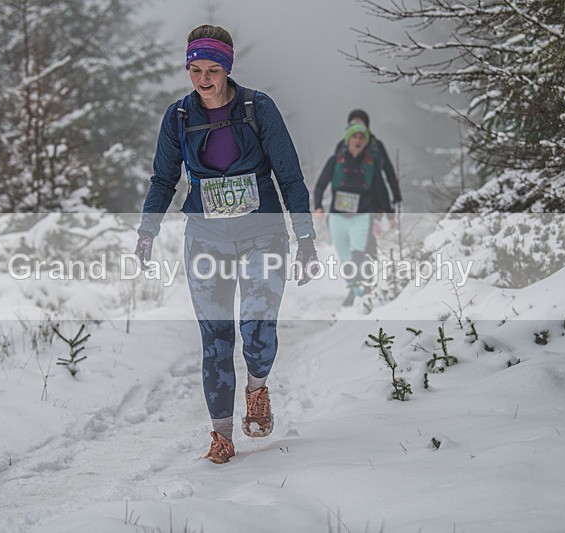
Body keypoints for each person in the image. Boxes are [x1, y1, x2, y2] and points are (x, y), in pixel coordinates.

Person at [134, 25, 318, 464]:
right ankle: (221, 435)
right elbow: (164, 179)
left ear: (228, 68)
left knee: (256, 328)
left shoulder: (258, 107)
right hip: (205, 236)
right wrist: (147, 230)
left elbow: (289, 174)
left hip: (263, 232)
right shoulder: (178, 117)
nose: (203, 79)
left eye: (212, 69)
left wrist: (305, 237)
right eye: (194, 69)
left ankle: (257, 388)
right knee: (215, 338)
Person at [313, 109, 402, 306]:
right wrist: (318, 205)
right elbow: (323, 182)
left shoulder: (375, 150)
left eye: (362, 133)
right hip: (340, 212)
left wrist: (391, 207)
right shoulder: (339, 153)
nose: (358, 139)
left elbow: (385, 175)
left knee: (362, 250)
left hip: (368, 206)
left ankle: (367, 287)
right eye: (354, 131)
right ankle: (355, 288)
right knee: (347, 255)